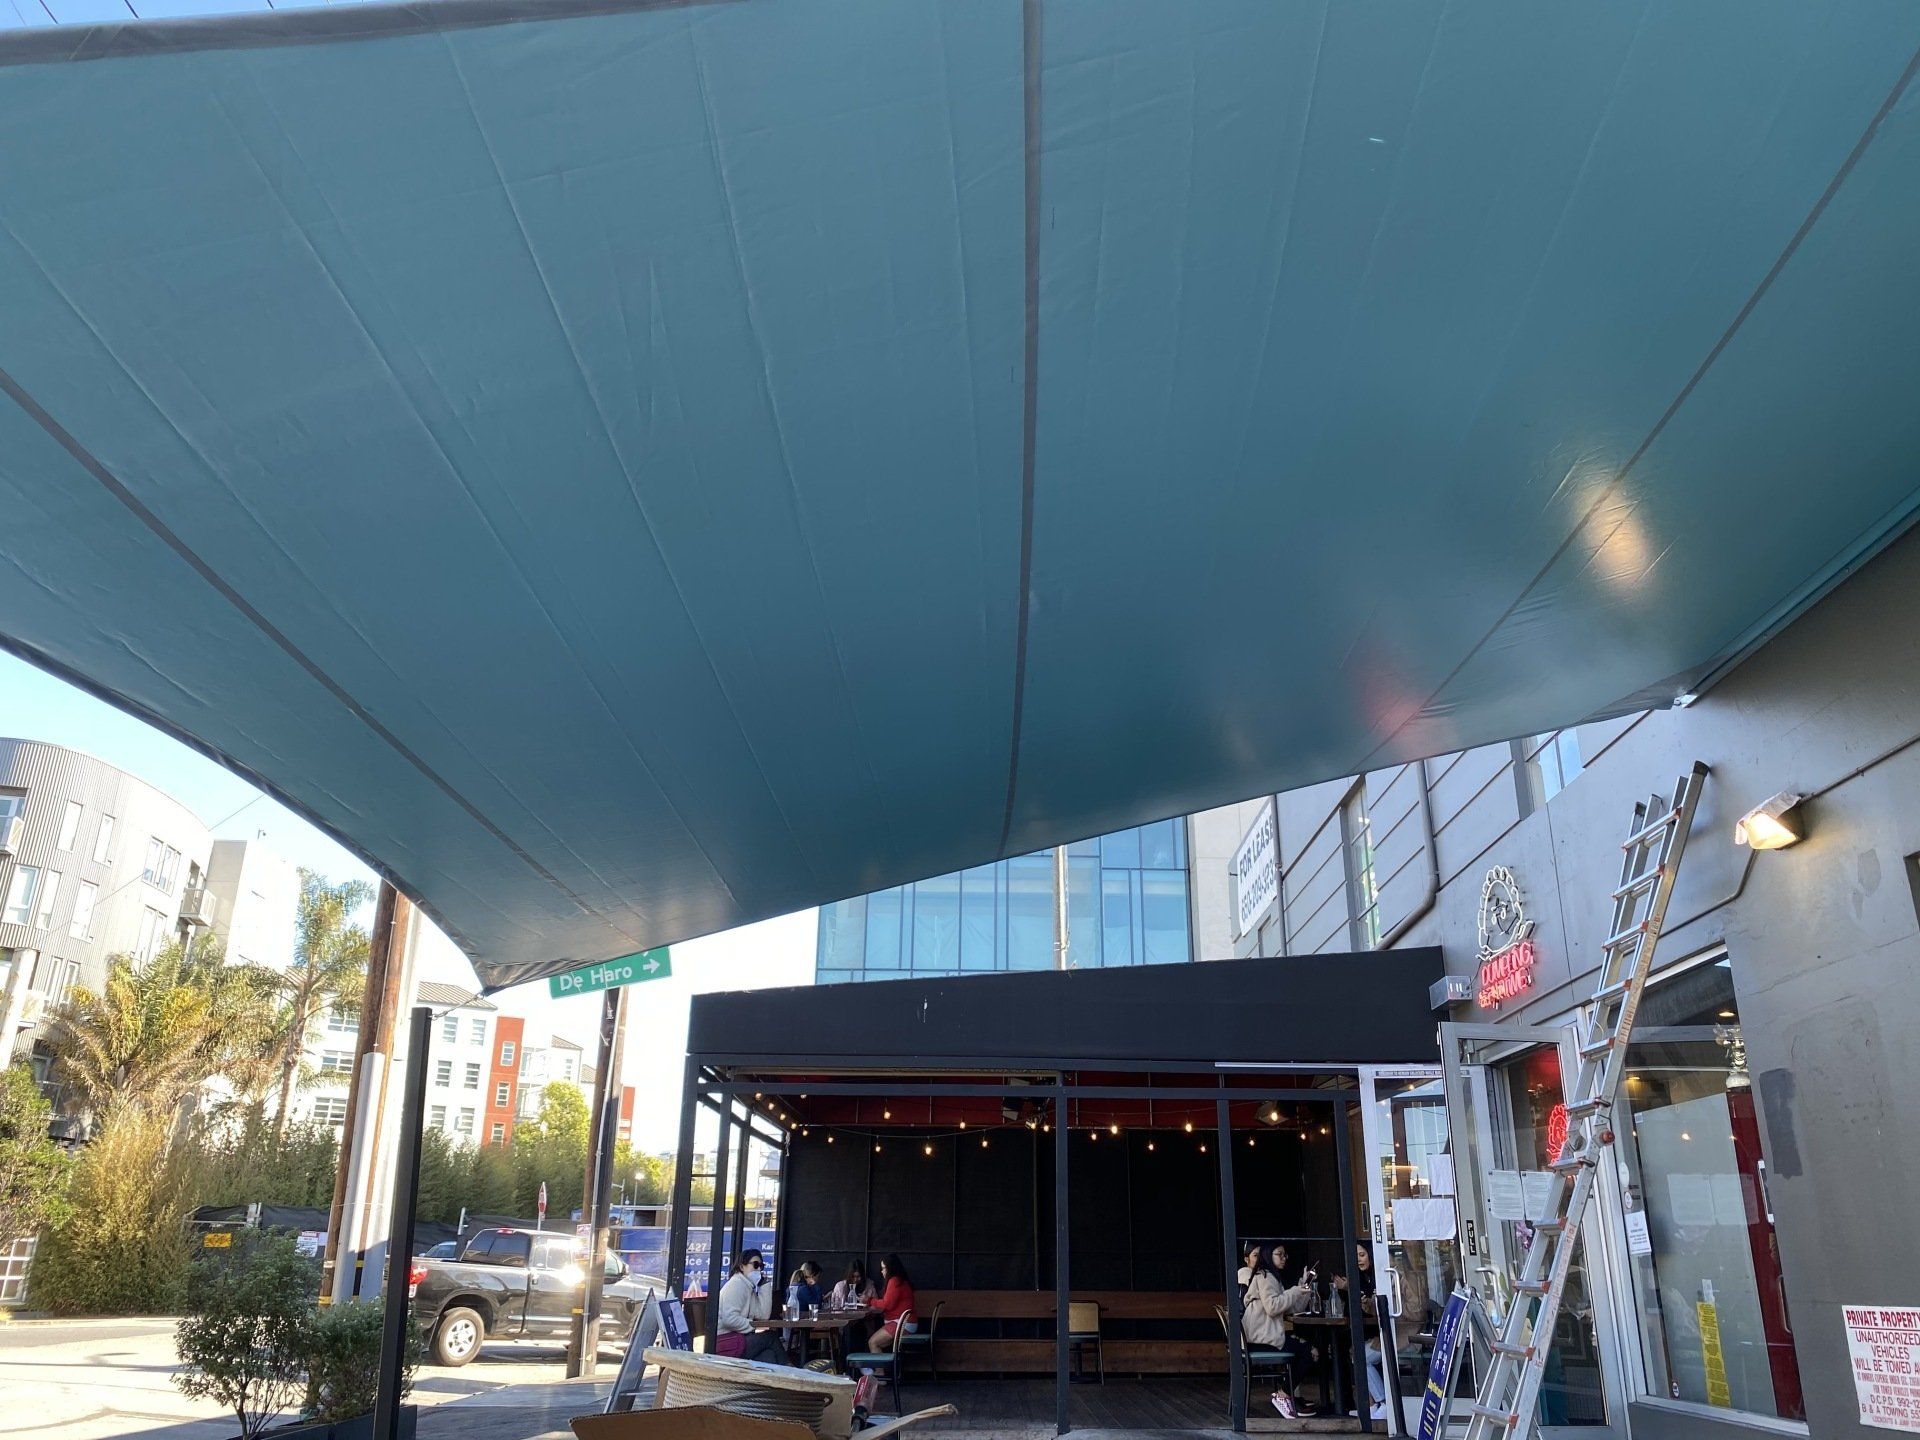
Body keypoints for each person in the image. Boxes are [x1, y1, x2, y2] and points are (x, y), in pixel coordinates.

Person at [1242, 1242, 1316, 1418]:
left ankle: (1286, 1394)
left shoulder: (1272, 1276)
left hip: (1264, 1335)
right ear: (1268, 1255)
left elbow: (1292, 1307)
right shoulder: (1265, 1276)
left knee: (1307, 1350)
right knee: (1309, 1352)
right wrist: (1294, 1291)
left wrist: (1302, 1287)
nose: (1284, 1258)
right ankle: (1284, 1394)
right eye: (1279, 1254)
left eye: (1285, 1255)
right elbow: (1273, 1307)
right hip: (1261, 1339)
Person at [1331, 1243, 1389, 1422]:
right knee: (1348, 1351)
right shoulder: (1357, 1277)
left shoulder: (1381, 1277)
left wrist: (1349, 1288)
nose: (1358, 1259)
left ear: (1371, 1255)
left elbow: (1374, 1303)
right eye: (1354, 1256)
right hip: (1363, 1331)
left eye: (1362, 1255)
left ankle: (1383, 1403)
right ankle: (1370, 1406)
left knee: (1359, 1356)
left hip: (1384, 1332)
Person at [715, 1248, 784, 1364]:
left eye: (761, 1266)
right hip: (726, 1342)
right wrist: (753, 1326)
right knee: (771, 1337)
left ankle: (779, 1378)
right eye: (755, 1265)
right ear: (742, 1267)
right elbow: (729, 1319)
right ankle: (790, 1370)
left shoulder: (748, 1287)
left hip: (737, 1340)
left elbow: (763, 1315)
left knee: (769, 1355)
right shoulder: (736, 1285)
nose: (759, 1269)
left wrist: (765, 1285)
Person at [866, 1254, 918, 1353]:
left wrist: (869, 1301)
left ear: (891, 1268)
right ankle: (879, 1368)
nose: (882, 1271)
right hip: (906, 1323)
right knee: (877, 1343)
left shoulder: (894, 1281)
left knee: (873, 1342)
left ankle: (877, 1368)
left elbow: (887, 1304)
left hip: (902, 1324)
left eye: (884, 1268)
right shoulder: (901, 1280)